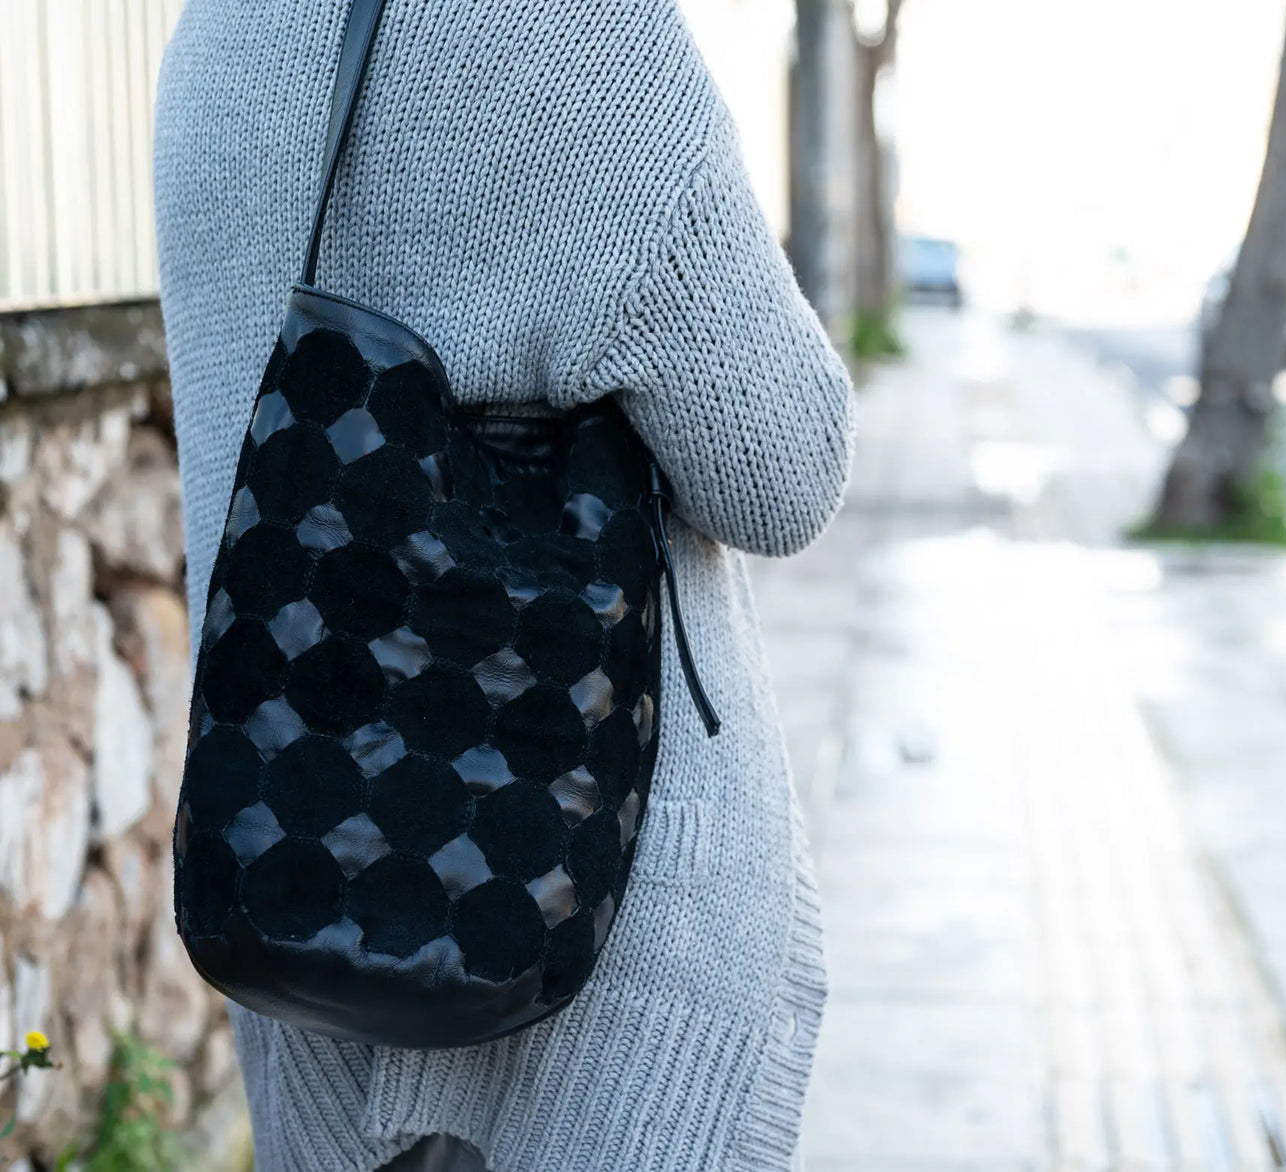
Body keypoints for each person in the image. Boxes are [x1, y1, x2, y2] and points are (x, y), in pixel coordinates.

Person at [152, 1, 854, 1169]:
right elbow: (780, 470)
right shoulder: (581, 35)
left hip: (297, 858)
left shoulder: (216, 27)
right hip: (604, 915)